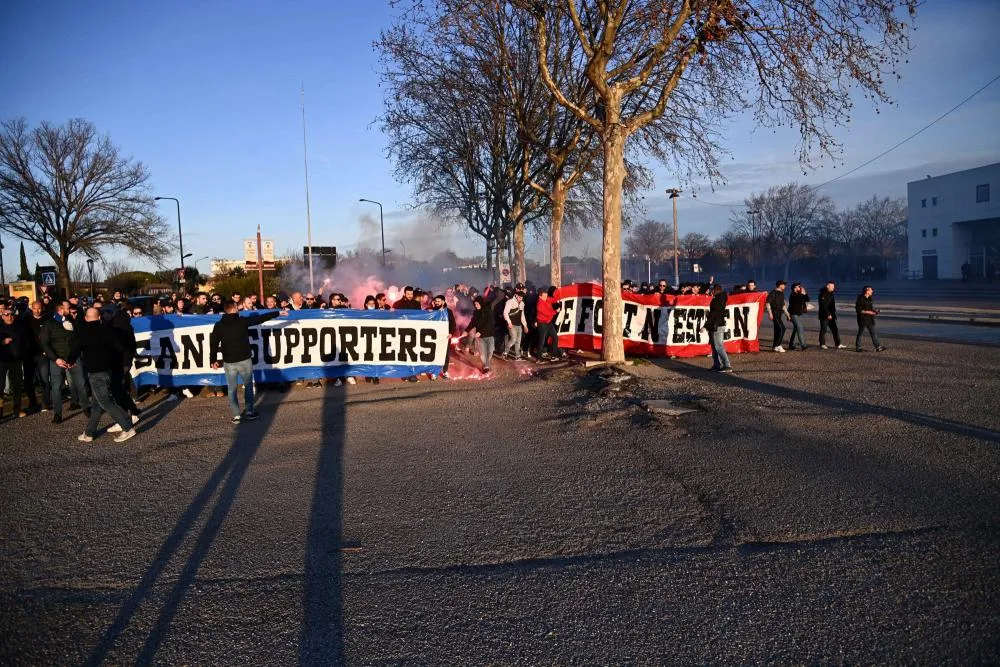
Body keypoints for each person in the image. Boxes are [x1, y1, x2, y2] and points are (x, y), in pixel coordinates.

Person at [209, 302, 283, 423]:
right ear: (233, 310)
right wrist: (278, 313)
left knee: (231, 388)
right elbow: (260, 319)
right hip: (244, 360)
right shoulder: (241, 321)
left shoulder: (219, 325)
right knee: (248, 386)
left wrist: (212, 360)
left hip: (229, 362)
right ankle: (249, 411)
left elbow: (213, 344)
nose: (238, 310)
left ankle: (236, 415)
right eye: (237, 308)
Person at [76, 307, 138, 443]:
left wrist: (67, 361)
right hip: (108, 370)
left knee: (106, 402)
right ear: (99, 317)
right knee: (97, 404)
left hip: (95, 372)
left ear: (86, 319)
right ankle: (89, 432)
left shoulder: (84, 332)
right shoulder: (108, 330)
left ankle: (127, 427)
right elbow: (121, 347)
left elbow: (76, 349)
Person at [40, 300, 88, 423]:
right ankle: (57, 414)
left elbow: (79, 341)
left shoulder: (72, 321)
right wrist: (56, 359)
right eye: (67, 308)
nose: (70, 310)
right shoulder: (48, 324)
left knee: (81, 384)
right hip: (57, 360)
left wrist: (73, 357)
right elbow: (45, 343)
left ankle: (86, 408)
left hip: (73, 358)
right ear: (61, 310)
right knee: (56, 387)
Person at [0, 305, 28, 419]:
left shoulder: (20, 326)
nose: (9, 316)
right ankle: (0, 411)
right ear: (2, 316)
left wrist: (24, 354)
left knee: (17, 386)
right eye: (6, 314)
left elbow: (26, 342)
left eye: (11, 314)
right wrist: (2, 341)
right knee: (0, 386)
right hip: (2, 360)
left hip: (17, 360)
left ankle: (17, 409)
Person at [704, 285, 732, 373]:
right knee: (714, 346)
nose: (711, 292)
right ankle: (716, 365)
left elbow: (715, 315)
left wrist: (705, 325)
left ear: (716, 290)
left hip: (717, 326)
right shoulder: (720, 299)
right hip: (716, 325)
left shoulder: (717, 300)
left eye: (712, 290)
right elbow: (716, 314)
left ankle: (727, 365)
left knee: (718, 346)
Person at [854, 286, 886, 352]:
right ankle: (858, 347)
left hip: (870, 319)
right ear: (867, 291)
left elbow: (871, 308)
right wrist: (869, 312)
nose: (872, 291)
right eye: (871, 290)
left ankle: (878, 347)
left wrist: (875, 311)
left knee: (873, 333)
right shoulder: (860, 298)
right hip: (862, 319)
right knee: (860, 333)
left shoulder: (870, 298)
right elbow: (858, 310)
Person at [469, 296, 495, 374]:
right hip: (480, 338)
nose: (476, 306)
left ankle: (486, 363)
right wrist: (467, 330)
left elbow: (490, 323)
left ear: (481, 303)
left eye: (477, 304)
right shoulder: (476, 312)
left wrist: (481, 332)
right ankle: (485, 366)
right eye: (475, 304)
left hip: (489, 335)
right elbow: (472, 322)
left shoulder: (488, 310)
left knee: (490, 351)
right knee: (483, 353)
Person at [818, 281, 847, 350]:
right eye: (832, 286)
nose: (834, 288)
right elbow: (823, 306)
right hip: (824, 316)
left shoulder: (830, 293)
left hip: (831, 315)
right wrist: (828, 314)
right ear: (828, 286)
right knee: (823, 330)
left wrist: (832, 314)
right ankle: (822, 344)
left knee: (835, 330)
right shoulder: (823, 293)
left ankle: (838, 344)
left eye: (834, 286)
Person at [535, 286, 560, 360]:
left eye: (546, 295)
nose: (546, 297)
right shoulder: (540, 304)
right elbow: (548, 313)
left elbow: (552, 299)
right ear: (540, 296)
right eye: (544, 295)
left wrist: (557, 299)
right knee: (541, 341)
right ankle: (539, 358)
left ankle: (554, 356)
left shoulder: (545, 299)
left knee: (555, 338)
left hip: (549, 323)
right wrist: (556, 311)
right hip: (542, 325)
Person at [502, 289, 528, 360]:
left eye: (522, 297)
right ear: (516, 295)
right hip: (512, 324)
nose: (520, 299)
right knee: (513, 339)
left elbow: (522, 315)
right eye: (519, 297)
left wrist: (525, 325)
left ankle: (517, 356)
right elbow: (505, 313)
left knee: (518, 341)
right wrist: (509, 322)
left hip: (519, 325)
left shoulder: (522, 304)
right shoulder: (510, 302)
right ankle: (505, 353)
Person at [766, 280, 789, 353]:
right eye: (784, 285)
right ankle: (778, 345)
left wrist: (787, 315)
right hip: (774, 313)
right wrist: (770, 313)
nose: (785, 286)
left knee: (777, 330)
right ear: (780, 285)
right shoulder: (773, 293)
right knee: (782, 329)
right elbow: (768, 303)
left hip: (779, 314)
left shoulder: (781, 294)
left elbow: (783, 306)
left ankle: (774, 346)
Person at [787, 283, 810, 350]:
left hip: (798, 314)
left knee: (796, 329)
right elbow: (799, 300)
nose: (800, 288)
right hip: (794, 314)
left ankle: (791, 345)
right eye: (798, 287)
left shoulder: (799, 294)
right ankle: (803, 345)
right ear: (795, 288)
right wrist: (802, 294)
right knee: (800, 328)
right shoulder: (793, 295)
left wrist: (804, 293)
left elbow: (807, 299)